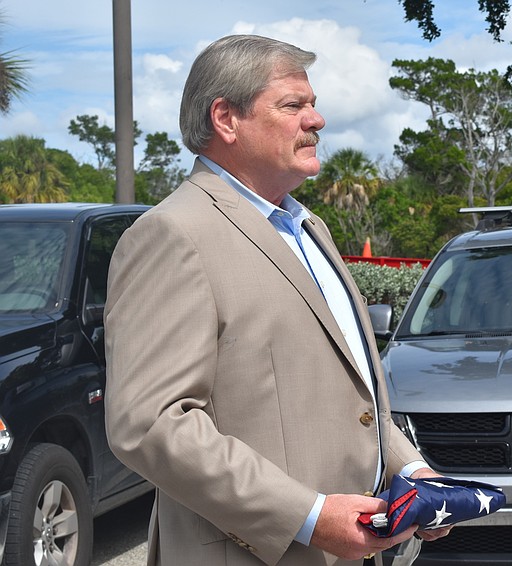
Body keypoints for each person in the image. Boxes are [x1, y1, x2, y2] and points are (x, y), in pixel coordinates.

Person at [104, 34, 449, 566]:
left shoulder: (309, 228)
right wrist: (307, 516)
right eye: (293, 105)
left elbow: (352, 397)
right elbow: (151, 423)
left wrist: (410, 471)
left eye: (313, 104)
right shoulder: (173, 235)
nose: (317, 120)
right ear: (226, 119)